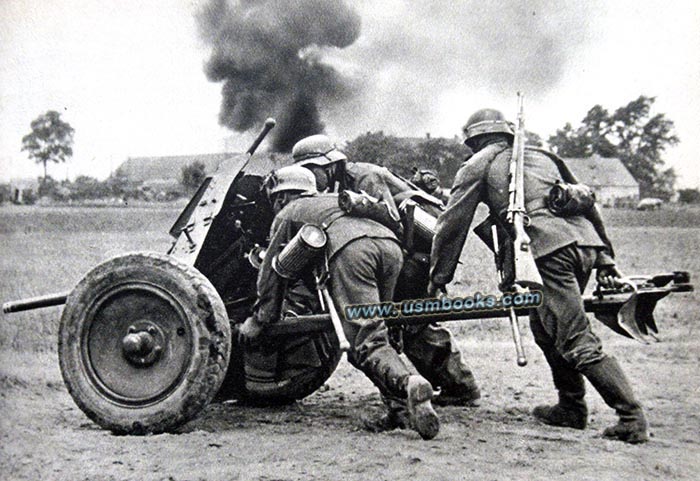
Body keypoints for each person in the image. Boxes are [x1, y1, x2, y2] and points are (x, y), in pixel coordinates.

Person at [428, 108, 649, 444]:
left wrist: (438, 276)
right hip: (585, 246)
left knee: (574, 336)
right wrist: (605, 258)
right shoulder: (545, 156)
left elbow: (451, 222)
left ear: (474, 140)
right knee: (546, 328)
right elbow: (586, 202)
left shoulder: (479, 164)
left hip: (547, 253)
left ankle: (631, 418)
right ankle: (570, 407)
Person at [237, 165, 440, 440]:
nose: (275, 205)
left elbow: (272, 272)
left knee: (366, 339)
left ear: (283, 197)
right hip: (390, 250)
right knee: (375, 333)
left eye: (275, 199)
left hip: (354, 253)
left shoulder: (288, 213)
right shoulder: (334, 200)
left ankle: (409, 384)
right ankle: (400, 410)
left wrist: (261, 318)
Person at [291, 135, 482, 416]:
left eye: (311, 169)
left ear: (330, 165)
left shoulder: (364, 177)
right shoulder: (343, 181)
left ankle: (415, 397)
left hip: (412, 254)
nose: (308, 176)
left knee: (400, 325)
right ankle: (457, 387)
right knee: (410, 324)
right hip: (402, 253)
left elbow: (391, 221)